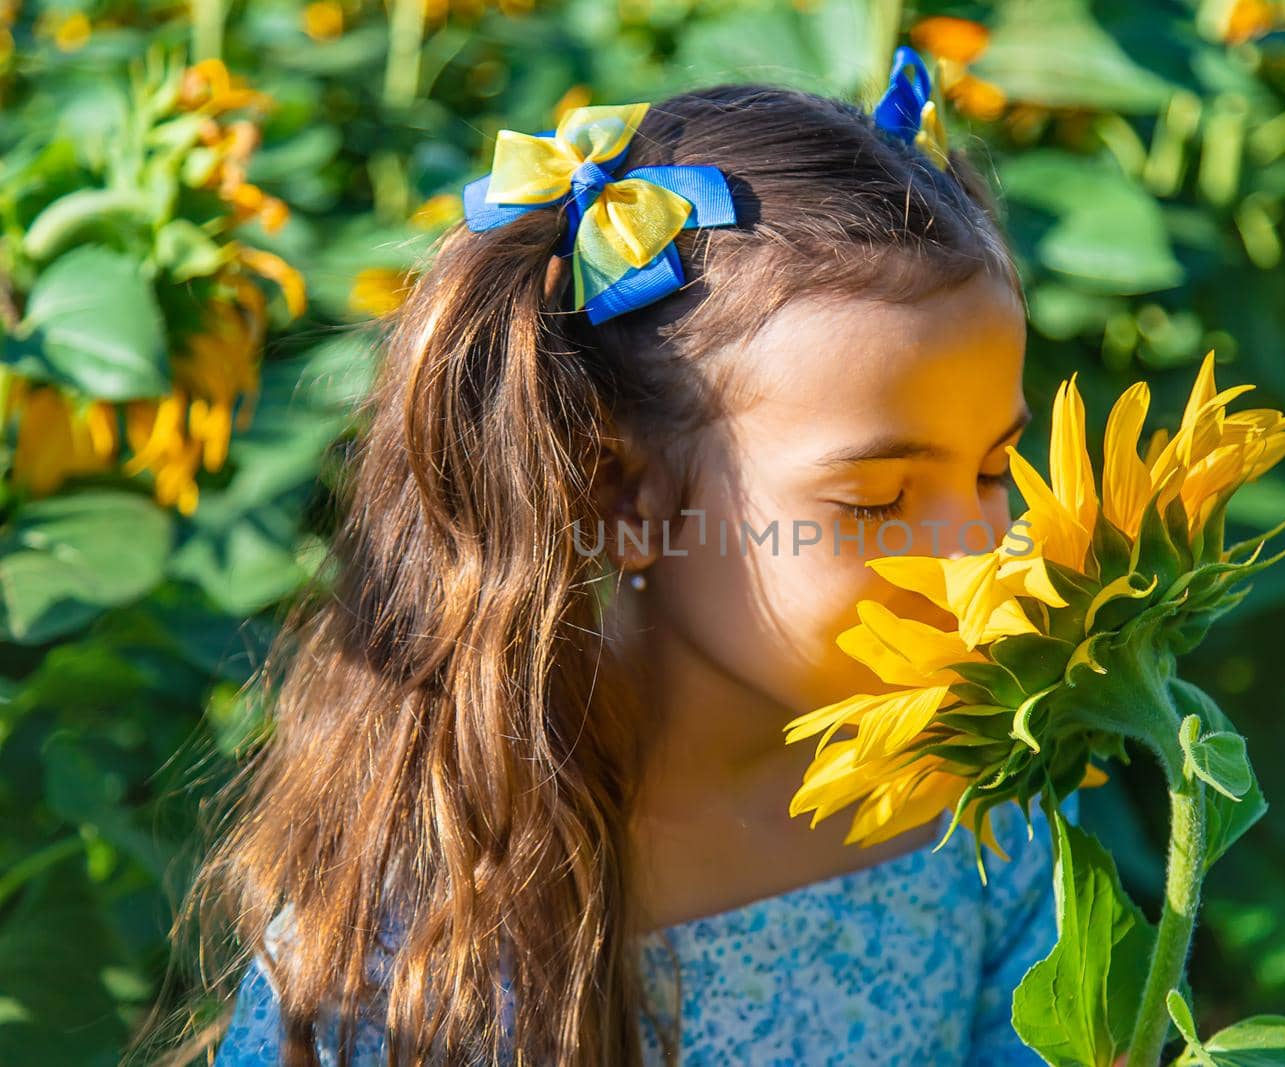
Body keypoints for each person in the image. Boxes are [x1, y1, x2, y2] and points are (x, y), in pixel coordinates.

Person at [195, 63, 1086, 1066]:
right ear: (623, 495)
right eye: (877, 498)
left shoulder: (987, 805)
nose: (976, 552)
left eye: (995, 467)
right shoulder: (420, 937)